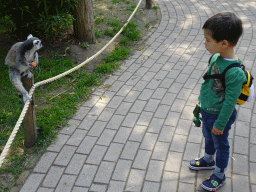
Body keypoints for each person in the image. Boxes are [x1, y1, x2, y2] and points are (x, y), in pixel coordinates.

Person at [189, 12, 247, 191]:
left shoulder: (234, 72)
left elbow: (230, 102)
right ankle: (208, 160)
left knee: (221, 145)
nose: (204, 43)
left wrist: (221, 123)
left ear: (223, 44)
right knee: (208, 137)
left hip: (220, 117)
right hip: (207, 111)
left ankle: (219, 175)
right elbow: (209, 83)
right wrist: (201, 104)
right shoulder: (215, 57)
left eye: (208, 40)